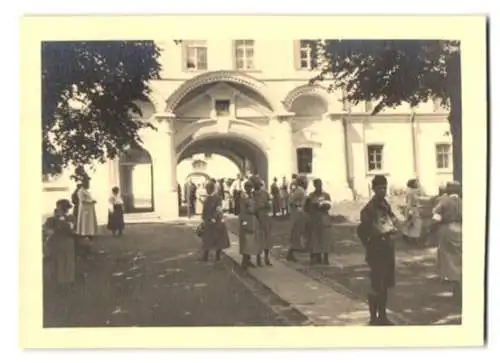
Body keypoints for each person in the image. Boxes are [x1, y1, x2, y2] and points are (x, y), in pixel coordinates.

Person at [357, 175, 399, 325]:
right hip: (376, 250)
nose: (383, 191)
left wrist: (394, 225)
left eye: (384, 188)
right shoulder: (369, 209)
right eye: (380, 188)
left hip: (387, 248)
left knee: (386, 284)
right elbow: (362, 230)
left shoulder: (386, 205)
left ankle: (383, 315)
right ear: (373, 189)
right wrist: (371, 242)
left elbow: (393, 220)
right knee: (376, 284)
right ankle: (373, 317)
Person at [431, 181, 462, 300]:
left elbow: (436, 218)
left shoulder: (444, 201)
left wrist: (430, 229)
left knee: (449, 259)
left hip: (447, 230)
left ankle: (456, 289)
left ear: (448, 190)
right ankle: (460, 287)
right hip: (461, 229)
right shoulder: (463, 201)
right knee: (460, 258)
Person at [43, 199, 76, 290]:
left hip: (63, 243)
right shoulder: (53, 219)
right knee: (63, 263)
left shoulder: (69, 218)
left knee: (63, 262)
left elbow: (70, 229)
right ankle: (63, 281)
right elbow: (47, 230)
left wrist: (60, 220)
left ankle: (63, 282)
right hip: (61, 243)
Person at [199, 181, 231, 262]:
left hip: (216, 222)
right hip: (208, 221)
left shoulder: (217, 198)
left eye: (208, 188)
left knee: (218, 239)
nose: (207, 190)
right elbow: (205, 210)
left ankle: (218, 256)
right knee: (207, 239)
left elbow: (219, 209)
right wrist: (203, 218)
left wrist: (214, 217)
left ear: (212, 189)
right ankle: (205, 256)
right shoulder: (207, 198)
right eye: (206, 188)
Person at [304, 178, 333, 265]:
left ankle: (326, 257)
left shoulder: (326, 195)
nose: (319, 187)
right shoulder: (311, 196)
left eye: (320, 185)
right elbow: (306, 208)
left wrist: (322, 206)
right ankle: (317, 256)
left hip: (324, 219)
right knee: (315, 239)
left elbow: (329, 206)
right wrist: (312, 205)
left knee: (325, 239)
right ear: (314, 186)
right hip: (314, 220)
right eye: (317, 185)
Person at [238, 181, 261, 269]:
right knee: (245, 239)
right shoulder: (244, 196)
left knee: (251, 240)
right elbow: (244, 209)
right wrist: (244, 223)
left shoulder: (252, 196)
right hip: (245, 219)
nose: (250, 189)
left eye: (250, 187)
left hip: (251, 219)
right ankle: (244, 261)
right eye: (248, 187)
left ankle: (248, 259)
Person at [287, 175, 309, 262]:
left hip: (301, 213)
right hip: (297, 214)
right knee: (297, 232)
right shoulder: (299, 190)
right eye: (306, 181)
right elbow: (291, 201)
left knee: (300, 232)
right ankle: (291, 252)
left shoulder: (301, 190)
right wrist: (298, 206)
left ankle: (296, 250)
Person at [252, 176, 273, 266]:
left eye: (258, 184)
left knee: (267, 237)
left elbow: (270, 203)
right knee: (258, 238)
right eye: (255, 184)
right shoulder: (252, 194)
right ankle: (258, 258)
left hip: (265, 217)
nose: (257, 186)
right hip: (256, 218)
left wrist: (266, 205)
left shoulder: (265, 193)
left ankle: (266, 257)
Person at [400, 179, 423, 245]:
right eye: (417, 183)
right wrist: (410, 211)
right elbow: (409, 203)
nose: (418, 184)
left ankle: (410, 239)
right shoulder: (411, 192)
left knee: (412, 224)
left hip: (414, 209)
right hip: (412, 209)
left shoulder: (412, 191)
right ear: (413, 184)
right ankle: (411, 239)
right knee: (415, 224)